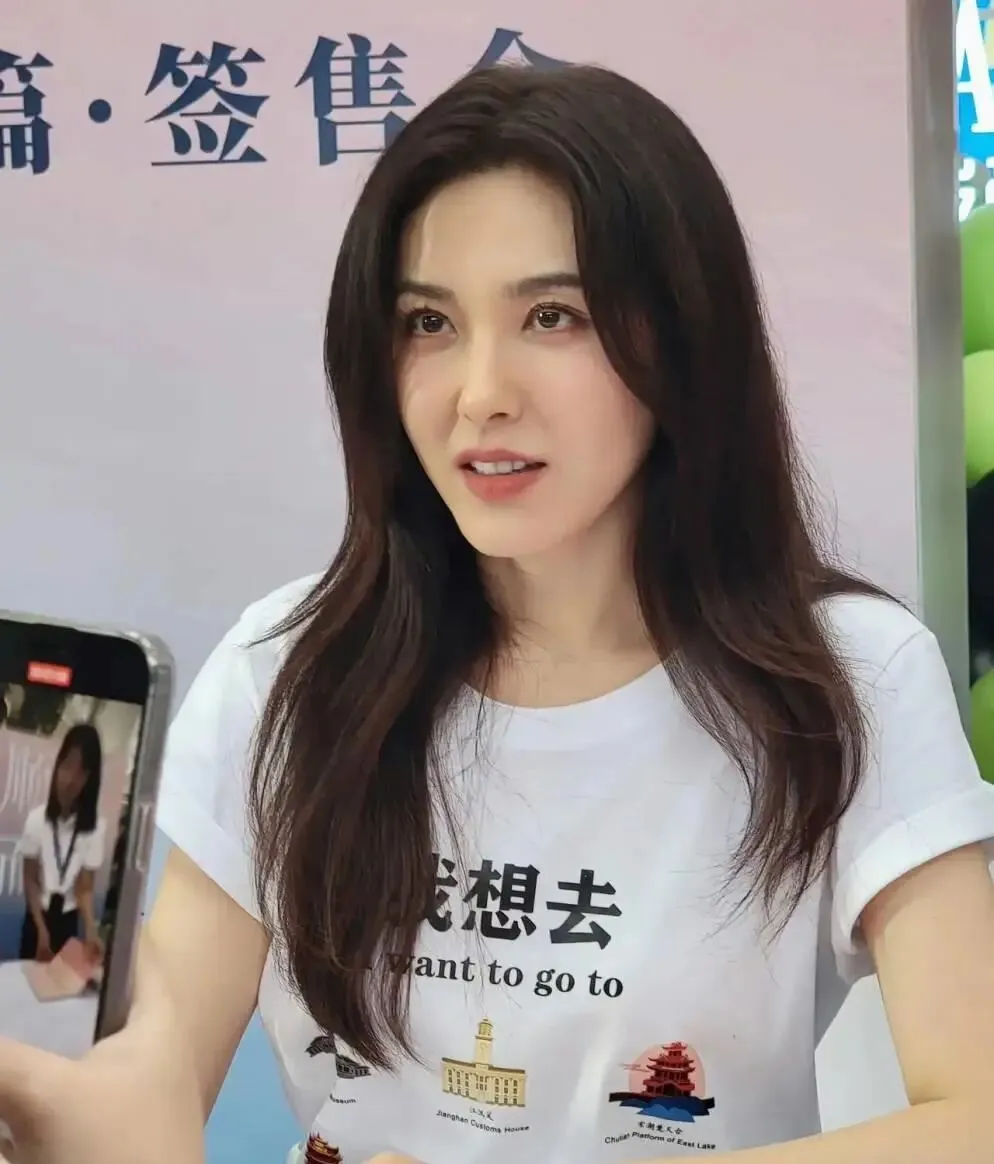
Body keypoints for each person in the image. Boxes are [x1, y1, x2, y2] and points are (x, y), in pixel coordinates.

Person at [2, 61, 994, 1164]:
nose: (480, 393)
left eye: (552, 316)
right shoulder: (288, 672)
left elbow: (975, 1117)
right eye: (428, 322)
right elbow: (148, 1078)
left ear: (681, 336)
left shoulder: (844, 679)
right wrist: (60, 1100)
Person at [17, 722, 107, 964]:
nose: (70, 780)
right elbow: (31, 880)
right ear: (57, 765)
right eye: (67, 766)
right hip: (37, 921)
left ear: (90, 780)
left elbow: (84, 889)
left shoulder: (95, 829)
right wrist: (41, 929)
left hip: (68, 924)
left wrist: (91, 932)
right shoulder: (36, 820)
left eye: (81, 773)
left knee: (61, 985)